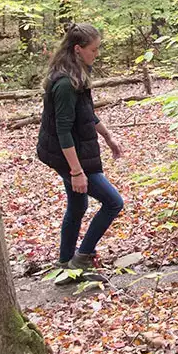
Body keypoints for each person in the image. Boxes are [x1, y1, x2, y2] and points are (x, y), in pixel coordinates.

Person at [35, 24, 126, 282]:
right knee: (113, 202)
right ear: (78, 49)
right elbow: (63, 130)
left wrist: (108, 137)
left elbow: (86, 114)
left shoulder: (77, 73)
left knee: (78, 205)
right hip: (64, 153)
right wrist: (76, 171)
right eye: (93, 49)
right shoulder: (64, 83)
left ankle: (66, 265)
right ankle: (82, 259)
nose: (96, 54)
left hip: (73, 149)